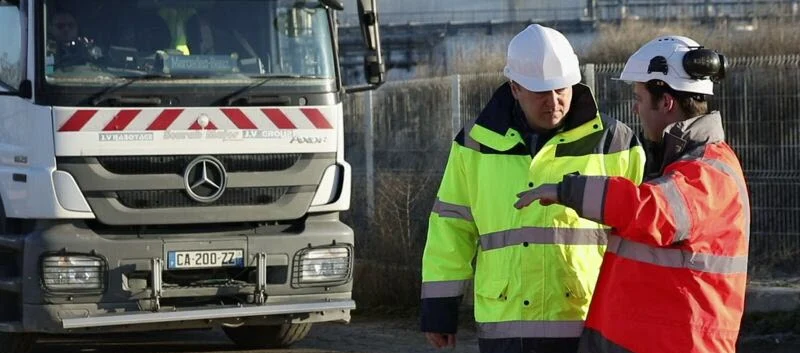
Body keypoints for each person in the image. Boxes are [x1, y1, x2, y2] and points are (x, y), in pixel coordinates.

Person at [514, 35, 750, 353]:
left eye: (638, 98)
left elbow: (651, 211)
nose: (636, 109)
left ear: (666, 102)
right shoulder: (679, 164)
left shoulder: (707, 172)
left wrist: (567, 190)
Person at [420, 24, 647, 353]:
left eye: (562, 89)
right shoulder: (475, 145)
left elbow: (642, 231)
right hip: (506, 323)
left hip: (588, 320)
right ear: (515, 88)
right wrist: (439, 310)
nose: (555, 102)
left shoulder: (615, 143)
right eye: (542, 92)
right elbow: (451, 228)